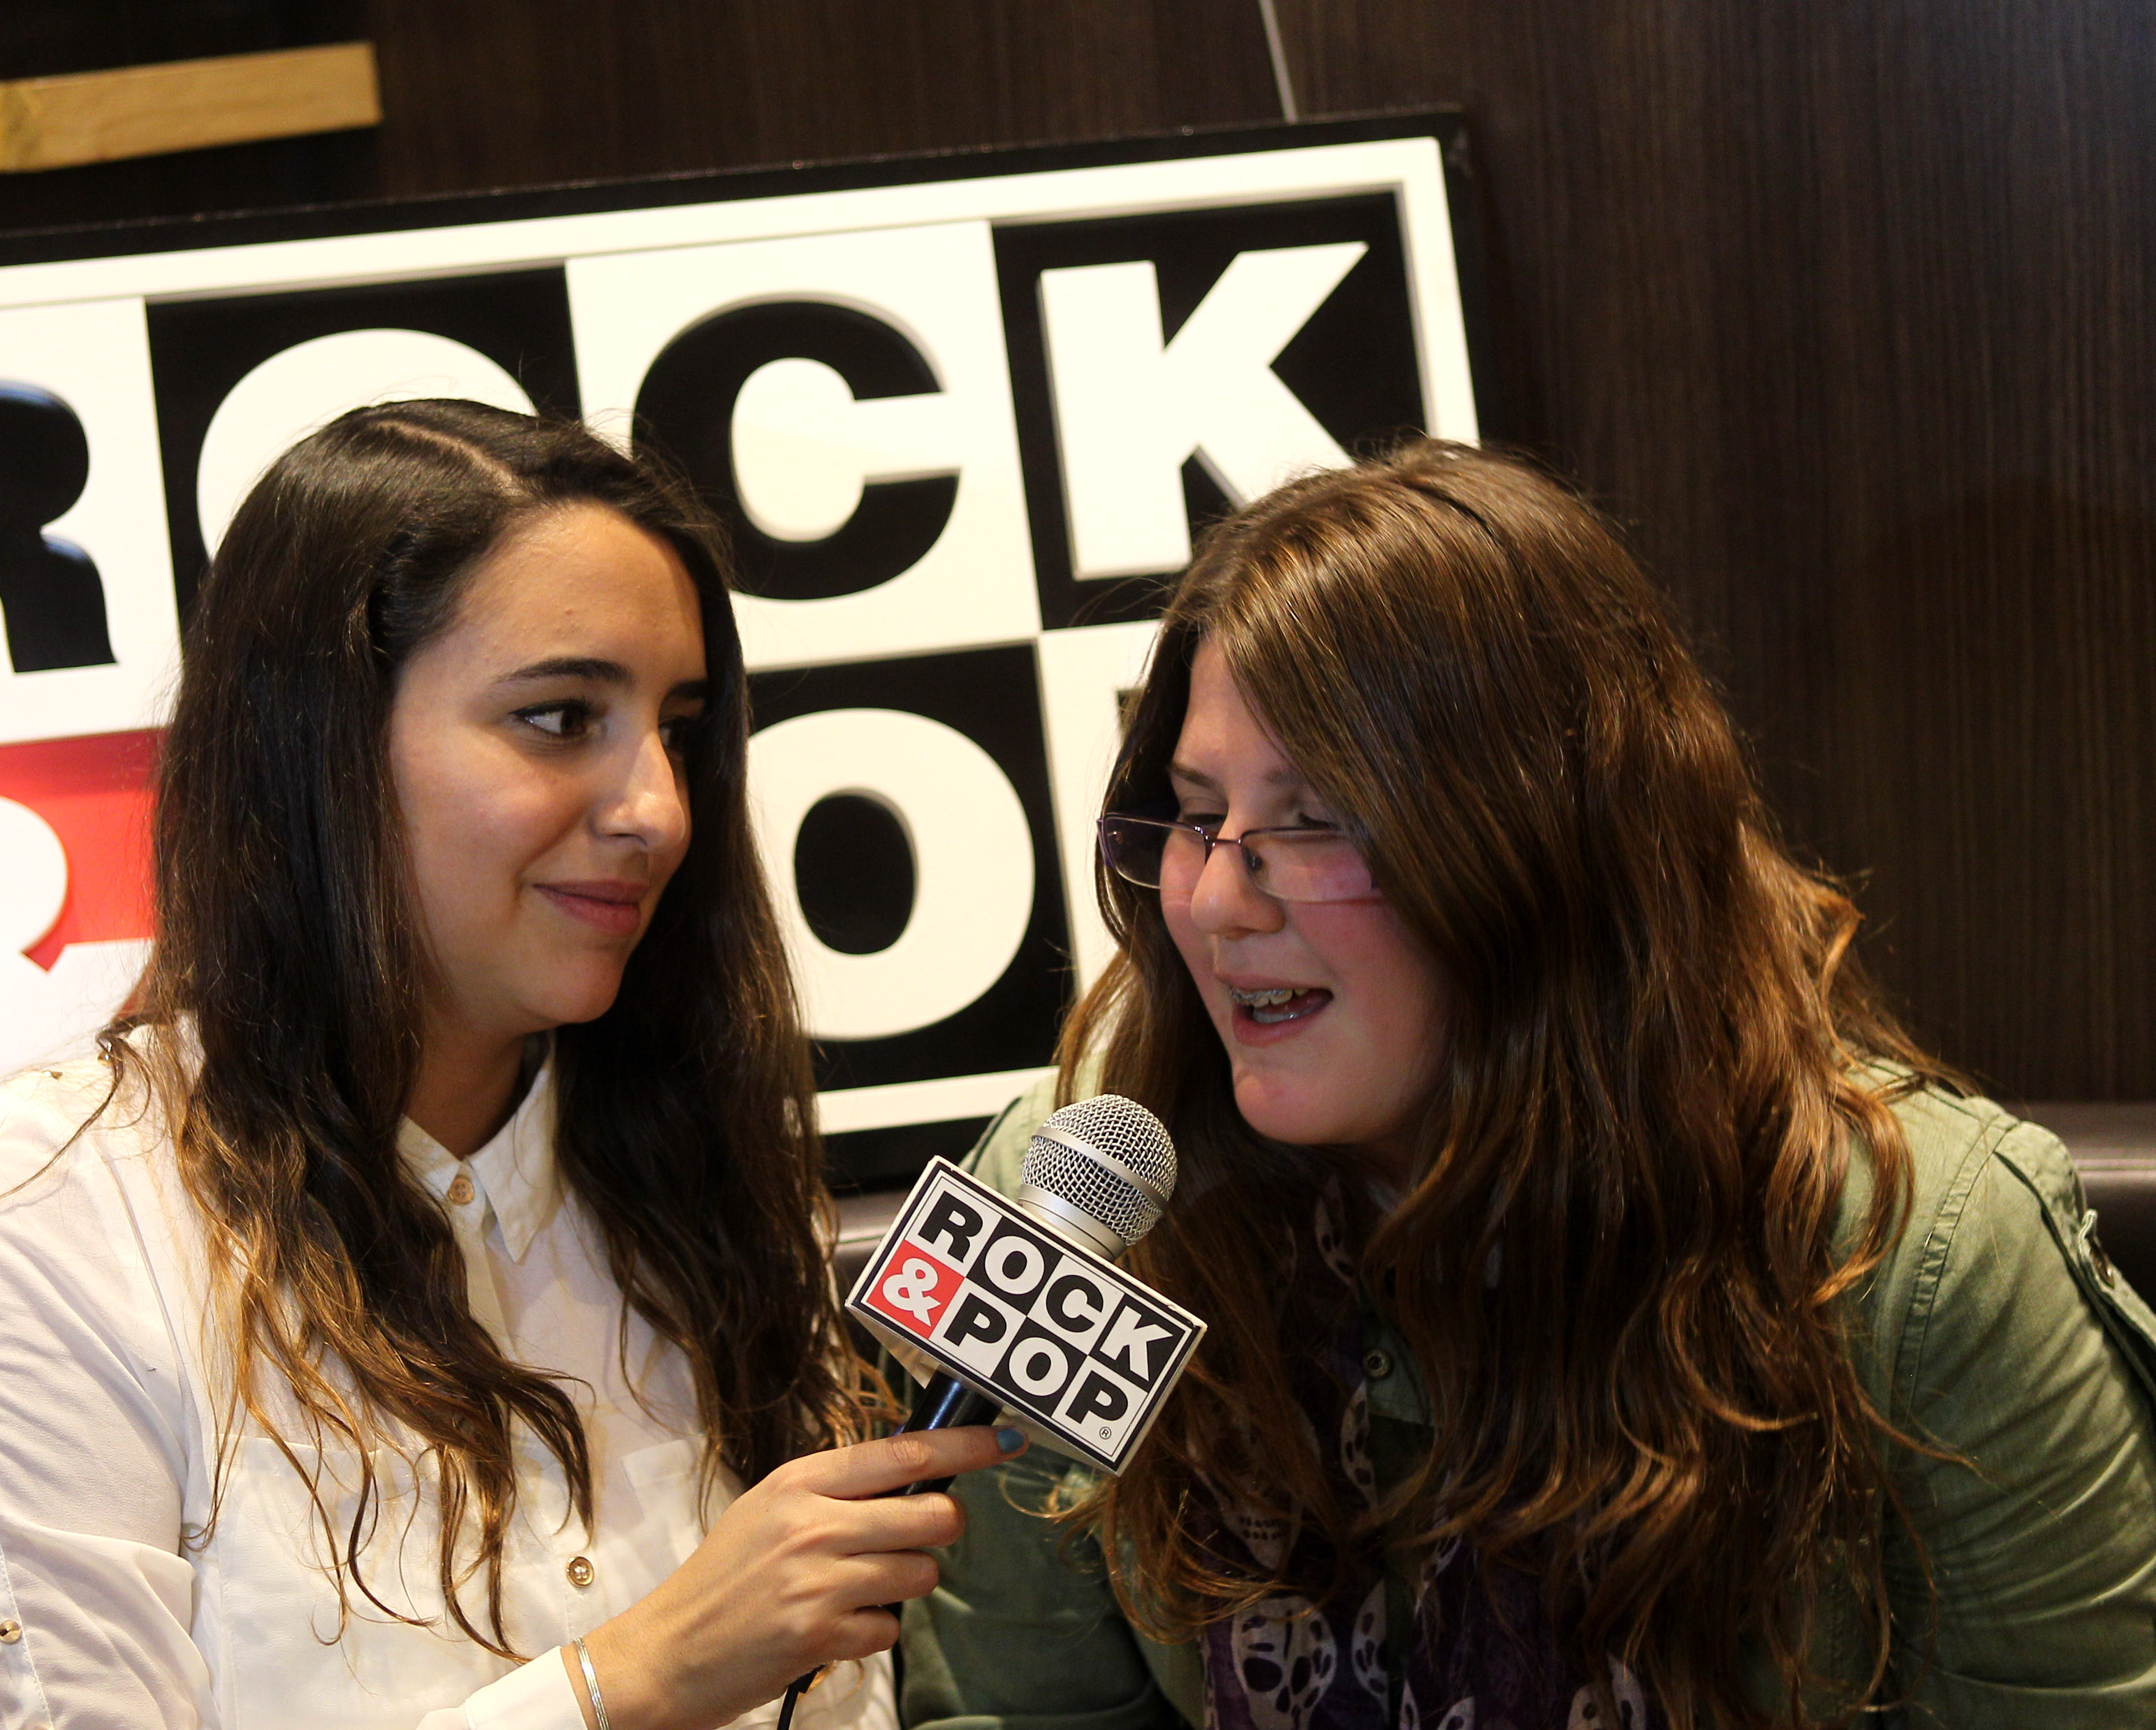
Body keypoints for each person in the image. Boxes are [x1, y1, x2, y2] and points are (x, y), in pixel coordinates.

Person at [0, 400, 1021, 1730]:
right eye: (560, 717)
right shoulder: (43, 1222)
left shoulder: (695, 1164)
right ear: (316, 744)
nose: (659, 811)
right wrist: (629, 1685)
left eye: (677, 728)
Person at [902, 441, 2156, 1729]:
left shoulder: (1927, 1256)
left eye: (1314, 817)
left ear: (1541, 851)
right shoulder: (1074, 1196)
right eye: (1194, 810)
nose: (1217, 899)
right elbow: (1013, 1709)